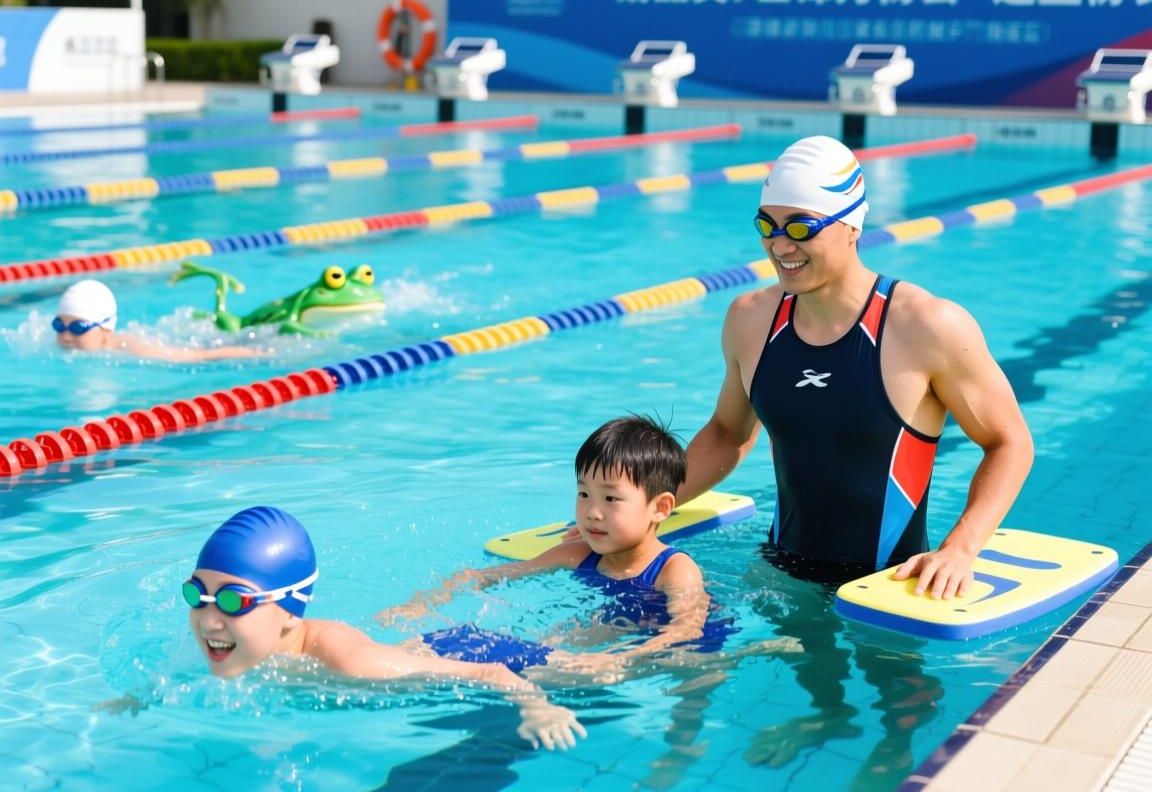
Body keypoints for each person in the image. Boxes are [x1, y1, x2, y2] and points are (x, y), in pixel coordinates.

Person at [679, 135, 1034, 599]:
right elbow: (728, 434)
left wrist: (960, 549)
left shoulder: (926, 325)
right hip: (779, 579)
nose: (779, 245)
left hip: (888, 592)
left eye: (801, 227)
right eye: (767, 225)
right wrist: (647, 505)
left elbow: (1010, 443)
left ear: (851, 225)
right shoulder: (750, 319)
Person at [380, 416, 795, 673]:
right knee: (550, 645)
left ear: (660, 508)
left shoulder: (674, 570)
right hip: (622, 622)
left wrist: (616, 660)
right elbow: (488, 575)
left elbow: (686, 629)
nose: (592, 512)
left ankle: (752, 652)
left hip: (687, 644)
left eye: (611, 499)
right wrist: (421, 603)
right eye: (583, 494)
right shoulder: (580, 553)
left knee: (689, 681)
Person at [183, 505, 585, 751]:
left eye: (234, 601)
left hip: (476, 654)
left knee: (607, 671)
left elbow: (491, 673)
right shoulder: (237, 646)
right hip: (425, 650)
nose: (209, 619)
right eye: (197, 594)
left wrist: (537, 706)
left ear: (290, 611)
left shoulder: (351, 662)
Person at [54, 279, 265, 362]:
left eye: (78, 327)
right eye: (59, 325)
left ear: (106, 327)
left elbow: (202, 355)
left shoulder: (137, 350)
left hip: (205, 344)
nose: (65, 335)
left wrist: (260, 354)